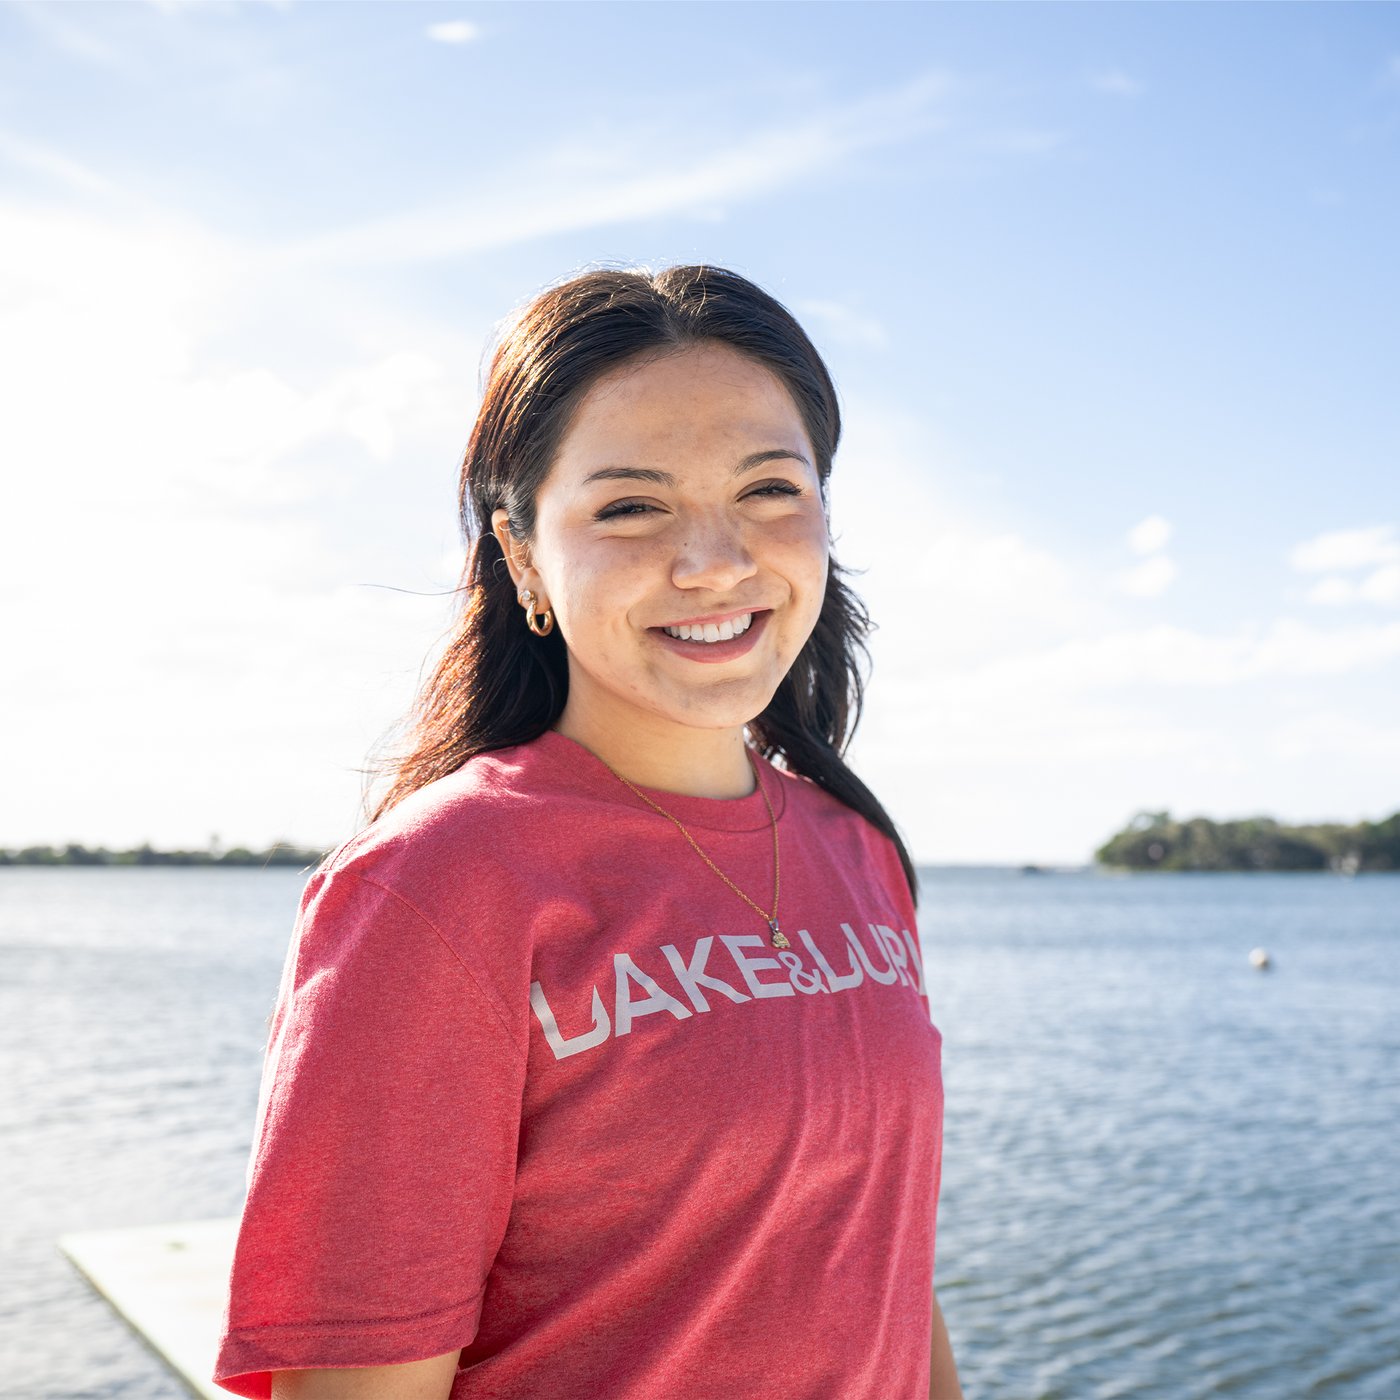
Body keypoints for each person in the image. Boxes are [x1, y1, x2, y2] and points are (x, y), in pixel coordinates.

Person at [214, 266, 961, 1400]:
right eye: (629, 504)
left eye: (769, 488)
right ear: (522, 558)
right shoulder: (436, 886)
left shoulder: (856, 852)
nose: (715, 560)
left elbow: (885, 1272)